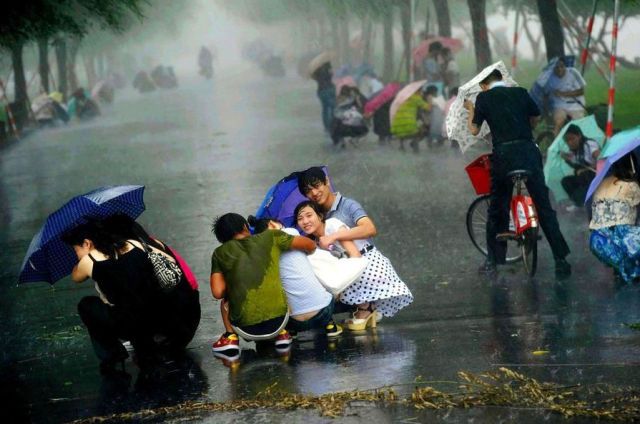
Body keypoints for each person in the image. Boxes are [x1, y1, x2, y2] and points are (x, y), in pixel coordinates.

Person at [464, 68, 571, 278]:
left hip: (504, 155)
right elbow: (535, 118)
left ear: (484, 85)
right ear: (502, 80)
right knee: (544, 206)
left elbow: (474, 130)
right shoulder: (521, 92)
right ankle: (561, 259)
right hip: (528, 152)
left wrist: (470, 110)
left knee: (498, 207)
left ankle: (493, 260)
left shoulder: (483, 98)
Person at [62, 215, 201, 376]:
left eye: (76, 250)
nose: (77, 255)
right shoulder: (135, 244)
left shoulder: (89, 260)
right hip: (162, 316)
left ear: (87, 243)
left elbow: (75, 277)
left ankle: (113, 355)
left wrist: (84, 258)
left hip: (130, 324)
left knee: (87, 305)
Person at [294, 201, 413, 330]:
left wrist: (338, 284)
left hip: (369, 264)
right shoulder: (314, 242)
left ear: (320, 216)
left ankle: (366, 307)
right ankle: (363, 307)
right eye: (300, 219)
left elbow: (355, 255)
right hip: (353, 266)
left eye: (309, 215)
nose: (305, 221)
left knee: (334, 280)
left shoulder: (332, 225)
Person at [210, 213, 316, 356]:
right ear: (245, 226)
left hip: (245, 329)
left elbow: (218, 292)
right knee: (277, 285)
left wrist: (236, 280)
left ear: (222, 239)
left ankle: (230, 338)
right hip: (279, 322)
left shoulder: (220, 253)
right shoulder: (270, 237)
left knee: (225, 301)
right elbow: (310, 245)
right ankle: (282, 334)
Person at [248, 216, 343, 337]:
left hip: (291, 321)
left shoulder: (262, 252)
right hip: (322, 312)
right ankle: (329, 324)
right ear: (272, 224)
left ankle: (291, 331)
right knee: (325, 281)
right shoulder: (290, 232)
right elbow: (311, 248)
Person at [297, 166, 377, 252]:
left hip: (370, 259)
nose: (314, 193)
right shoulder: (315, 216)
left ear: (327, 181)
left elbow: (369, 229)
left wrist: (333, 236)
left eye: (317, 186)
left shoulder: (348, 205)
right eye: (308, 191)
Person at [589, 153, 640, 284]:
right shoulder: (631, 185)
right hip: (624, 239)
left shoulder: (601, 183)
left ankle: (623, 268)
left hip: (597, 241)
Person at [560, 124, 600, 211]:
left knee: (579, 189)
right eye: (567, 140)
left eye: (572, 138)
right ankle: (579, 203)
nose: (570, 142)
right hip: (584, 178)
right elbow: (576, 167)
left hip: (596, 177)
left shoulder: (589, 144)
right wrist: (567, 159)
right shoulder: (574, 151)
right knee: (566, 181)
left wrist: (584, 169)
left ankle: (590, 201)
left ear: (579, 135)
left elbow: (601, 161)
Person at [545, 57, 586, 135]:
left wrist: (563, 94)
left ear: (565, 66)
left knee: (578, 125)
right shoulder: (550, 78)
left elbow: (581, 91)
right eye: (557, 67)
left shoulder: (573, 72)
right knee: (559, 122)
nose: (559, 69)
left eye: (562, 66)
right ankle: (556, 142)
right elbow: (545, 94)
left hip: (576, 105)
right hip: (559, 105)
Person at [391, 88, 431, 153]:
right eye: (421, 92)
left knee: (404, 132)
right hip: (409, 125)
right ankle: (416, 151)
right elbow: (428, 108)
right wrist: (430, 100)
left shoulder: (402, 98)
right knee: (419, 133)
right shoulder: (416, 98)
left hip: (396, 126)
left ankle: (402, 147)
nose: (422, 93)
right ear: (417, 92)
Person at [311, 62, 336, 135]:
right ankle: (332, 124)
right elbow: (331, 76)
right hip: (330, 88)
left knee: (325, 109)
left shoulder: (316, 70)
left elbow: (314, 78)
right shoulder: (328, 68)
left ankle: (327, 127)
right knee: (332, 107)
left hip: (321, 90)